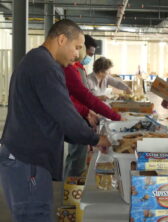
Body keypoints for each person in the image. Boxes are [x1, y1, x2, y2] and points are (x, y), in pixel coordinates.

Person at [0, 19, 110, 222]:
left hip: (25, 157)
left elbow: (52, 116)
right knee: (35, 215)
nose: (78, 54)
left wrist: (84, 137)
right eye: (76, 47)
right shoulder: (45, 67)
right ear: (61, 39)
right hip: (28, 161)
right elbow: (65, 115)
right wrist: (95, 139)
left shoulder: (37, 61)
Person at [64, 42, 122, 178]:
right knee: (77, 155)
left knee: (77, 154)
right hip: (76, 117)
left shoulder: (78, 67)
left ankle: (70, 185)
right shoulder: (70, 69)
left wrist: (87, 112)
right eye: (77, 48)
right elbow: (82, 97)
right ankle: (72, 188)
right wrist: (115, 117)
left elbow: (78, 97)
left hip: (81, 114)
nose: (79, 54)